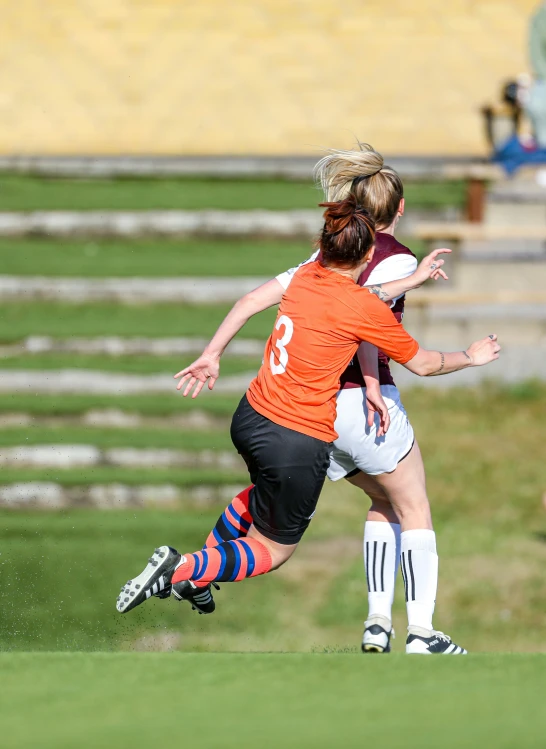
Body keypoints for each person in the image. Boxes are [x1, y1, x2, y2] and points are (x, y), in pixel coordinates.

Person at [116, 196, 500, 656]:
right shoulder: (363, 306)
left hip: (251, 417)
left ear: (323, 245)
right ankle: (180, 570)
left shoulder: (304, 275)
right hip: (296, 440)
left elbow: (260, 300)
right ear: (365, 257)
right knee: (273, 551)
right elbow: (422, 363)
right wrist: (470, 357)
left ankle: (199, 576)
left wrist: (211, 354)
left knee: (263, 498)